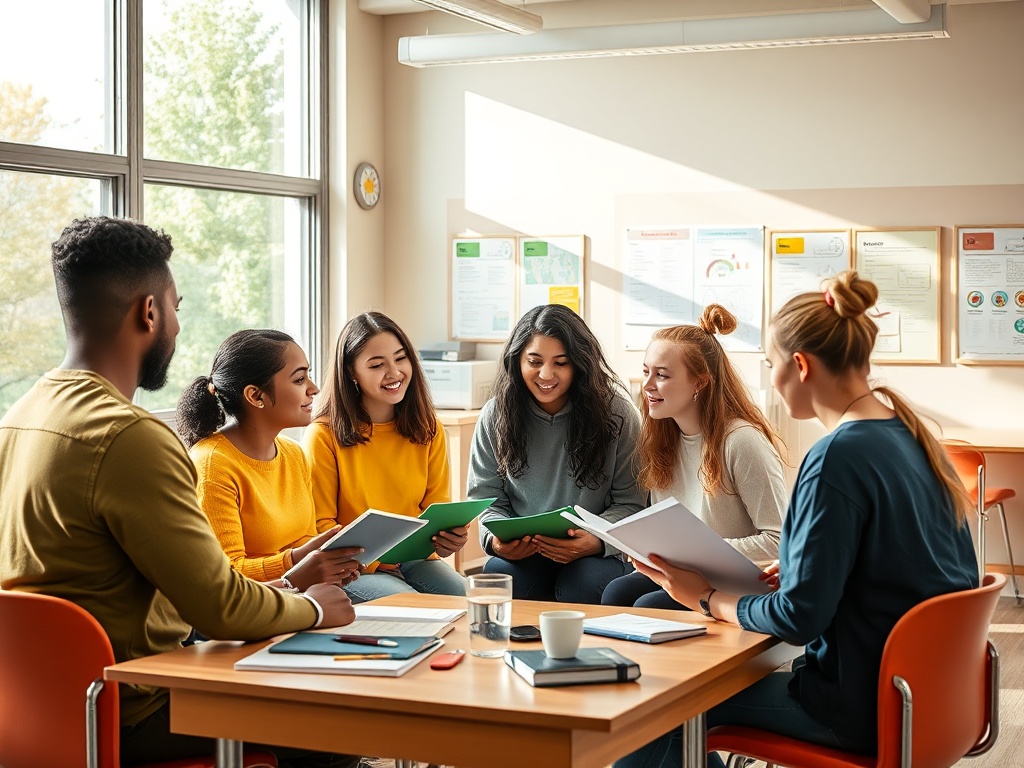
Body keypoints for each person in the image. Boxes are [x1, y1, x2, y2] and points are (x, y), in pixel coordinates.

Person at [0, 217, 359, 767]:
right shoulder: (130, 436)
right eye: (176, 306)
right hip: (133, 704)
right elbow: (220, 608)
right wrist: (311, 608)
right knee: (337, 720)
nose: (176, 324)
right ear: (149, 312)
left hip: (34, 707)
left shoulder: (18, 416)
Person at [614, 271, 978, 768]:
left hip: (856, 707)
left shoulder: (835, 458)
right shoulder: (913, 438)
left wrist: (705, 597)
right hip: (930, 697)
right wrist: (819, 570)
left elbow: (797, 619)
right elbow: (920, 568)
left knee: (653, 703)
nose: (771, 378)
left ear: (800, 365)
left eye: (771, 364)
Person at [602, 304, 787, 610]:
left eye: (662, 375)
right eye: (646, 371)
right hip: (688, 571)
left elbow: (779, 540)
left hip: (735, 581)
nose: (647, 385)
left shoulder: (742, 441)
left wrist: (699, 555)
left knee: (648, 605)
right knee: (616, 593)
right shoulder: (662, 438)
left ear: (699, 382)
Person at [467, 303, 647, 603]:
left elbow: (632, 503)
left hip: (595, 552)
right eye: (534, 361)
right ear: (517, 361)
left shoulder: (618, 413)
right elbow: (485, 499)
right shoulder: (496, 414)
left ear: (579, 363)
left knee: (583, 586)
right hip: (526, 552)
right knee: (499, 575)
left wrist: (597, 542)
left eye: (560, 363)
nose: (546, 374)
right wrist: (496, 542)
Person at [176, 329, 361, 592]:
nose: (314, 388)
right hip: (253, 604)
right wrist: (298, 561)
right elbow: (226, 575)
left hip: (297, 591)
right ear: (255, 396)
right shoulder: (211, 465)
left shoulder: (294, 454)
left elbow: (305, 538)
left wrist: (333, 562)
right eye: (299, 380)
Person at [303, 311, 468, 600]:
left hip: (414, 560)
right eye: (377, 365)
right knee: (410, 604)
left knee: (464, 597)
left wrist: (448, 540)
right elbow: (321, 525)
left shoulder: (429, 429)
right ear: (352, 372)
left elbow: (435, 512)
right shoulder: (323, 436)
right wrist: (380, 562)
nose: (394, 373)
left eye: (400, 358)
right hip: (352, 567)